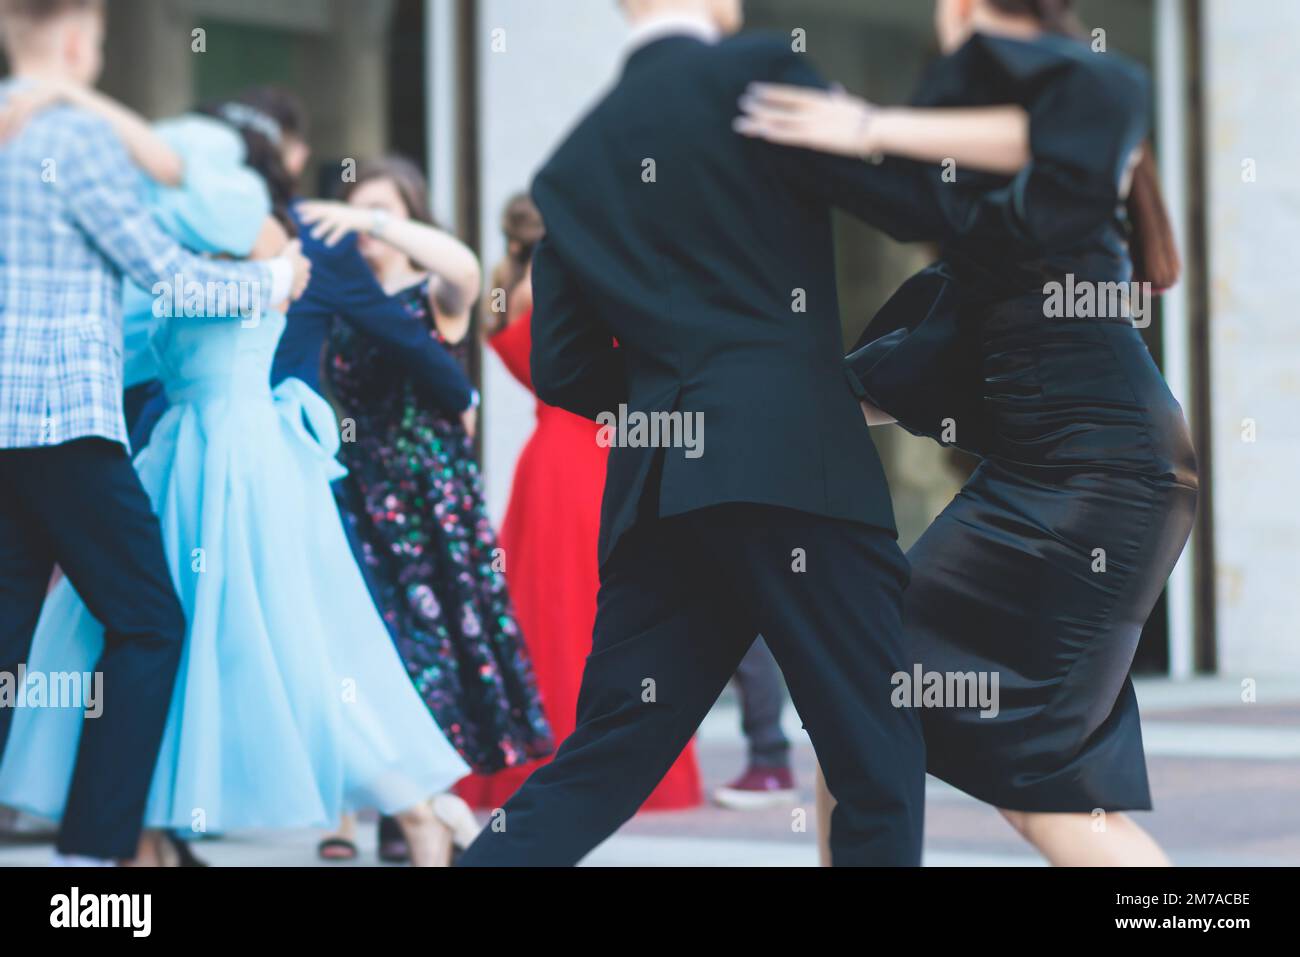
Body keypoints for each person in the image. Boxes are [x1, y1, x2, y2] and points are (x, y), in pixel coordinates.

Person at [455, 0, 999, 867]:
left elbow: (563, 369)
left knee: (604, 758)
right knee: (875, 752)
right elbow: (920, 200)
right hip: (793, 468)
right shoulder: (756, 78)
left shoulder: (571, 162)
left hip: (659, 493)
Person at [738, 0, 1196, 866]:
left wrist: (870, 122)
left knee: (1040, 782)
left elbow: (1086, 110)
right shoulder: (1001, 214)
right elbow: (914, 359)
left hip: (1102, 482)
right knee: (861, 705)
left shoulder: (1075, 149)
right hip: (1050, 476)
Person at [0, 92, 477, 866]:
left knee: (283, 650)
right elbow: (148, 344)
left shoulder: (269, 238)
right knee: (152, 647)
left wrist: (463, 395)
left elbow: (209, 303)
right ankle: (140, 842)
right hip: (181, 454)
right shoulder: (180, 238)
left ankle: (417, 808)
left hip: (244, 462)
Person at [0, 0, 308, 866]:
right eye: (97, 43)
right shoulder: (77, 142)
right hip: (60, 420)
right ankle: (99, 864)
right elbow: (169, 276)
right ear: (72, 40)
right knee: (148, 621)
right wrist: (275, 276)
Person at [299, 159, 552, 861]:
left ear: (408, 213)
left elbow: (466, 268)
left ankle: (427, 808)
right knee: (373, 651)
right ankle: (389, 808)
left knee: (437, 652)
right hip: (362, 488)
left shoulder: (434, 293)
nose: (364, 226)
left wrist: (373, 218)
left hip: (433, 496)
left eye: (380, 211)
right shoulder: (338, 295)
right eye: (353, 209)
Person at [456, 194, 702, 813]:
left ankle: (540, 761)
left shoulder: (507, 297)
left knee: (545, 607)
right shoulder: (584, 288)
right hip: (596, 453)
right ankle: (620, 761)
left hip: (548, 460)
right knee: (610, 607)